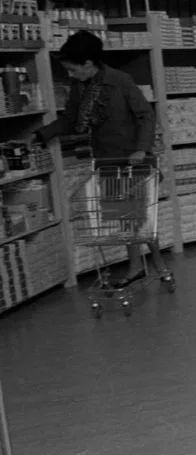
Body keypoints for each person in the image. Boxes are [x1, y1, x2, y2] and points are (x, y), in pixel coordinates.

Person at [35, 30, 165, 288]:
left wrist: (141, 149)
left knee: (141, 217)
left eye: (73, 70)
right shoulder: (79, 87)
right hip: (106, 158)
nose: (71, 75)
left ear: (88, 63)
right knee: (123, 216)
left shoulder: (121, 82)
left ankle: (160, 265)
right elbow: (71, 120)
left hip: (134, 159)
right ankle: (136, 267)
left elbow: (146, 116)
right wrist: (40, 135)